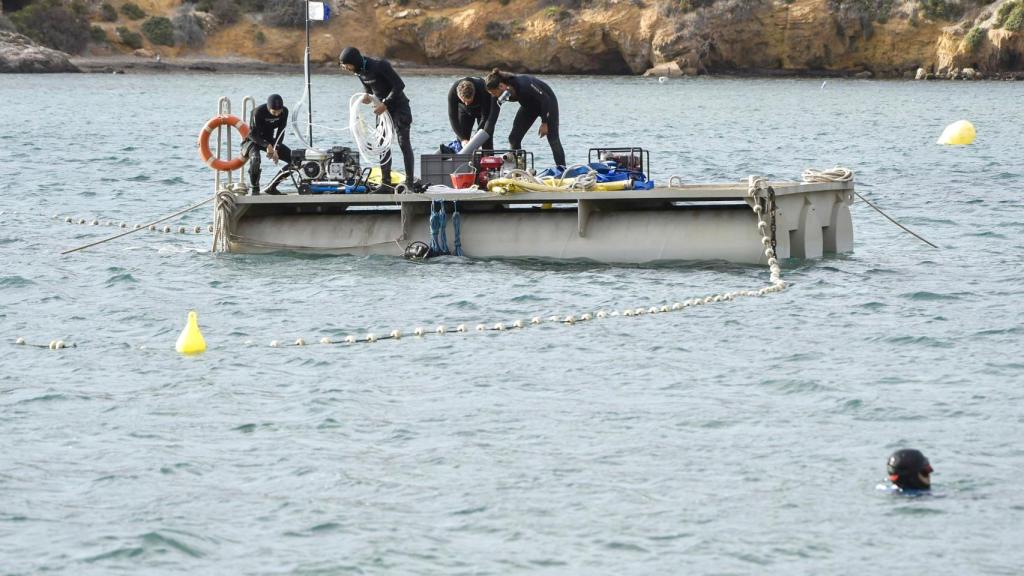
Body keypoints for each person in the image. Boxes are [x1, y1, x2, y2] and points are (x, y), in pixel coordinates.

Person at [339, 46, 416, 192]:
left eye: (347, 65)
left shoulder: (379, 65)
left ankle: (410, 183)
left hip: (399, 107)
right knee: (382, 145)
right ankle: (386, 184)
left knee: (403, 143)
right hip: (383, 111)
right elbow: (369, 88)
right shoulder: (359, 71)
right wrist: (367, 96)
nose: (346, 68)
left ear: (354, 61)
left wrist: (385, 103)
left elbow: (399, 85)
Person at [484, 68, 566, 169]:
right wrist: (484, 135)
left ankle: (563, 170)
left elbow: (545, 99)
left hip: (547, 103)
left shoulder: (523, 84)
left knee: (553, 139)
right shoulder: (497, 94)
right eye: (491, 94)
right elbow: (492, 118)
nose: (494, 96)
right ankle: (519, 170)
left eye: (494, 93)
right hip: (529, 107)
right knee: (513, 138)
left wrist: (544, 123)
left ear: (501, 86)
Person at [243, 94, 292, 195]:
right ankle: (255, 188)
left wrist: (276, 149)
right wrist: (267, 146)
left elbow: (281, 132)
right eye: (274, 112)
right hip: (254, 141)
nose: (277, 115)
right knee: (255, 159)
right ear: (268, 108)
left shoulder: (285, 112)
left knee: (295, 161)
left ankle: (272, 187)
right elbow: (252, 134)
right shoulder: (258, 112)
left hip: (270, 140)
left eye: (279, 112)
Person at [447, 77, 500, 152]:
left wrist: (476, 139)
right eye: (464, 101)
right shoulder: (452, 92)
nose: (467, 104)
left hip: (482, 112)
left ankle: (488, 160)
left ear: (474, 93)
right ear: (458, 95)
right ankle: (464, 161)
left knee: (485, 139)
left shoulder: (483, 89)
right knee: (463, 140)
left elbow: (485, 117)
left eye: (469, 101)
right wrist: (463, 140)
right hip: (464, 112)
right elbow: (453, 117)